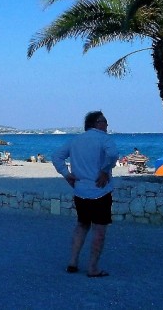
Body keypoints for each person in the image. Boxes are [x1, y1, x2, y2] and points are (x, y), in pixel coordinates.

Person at [52, 111, 119, 278]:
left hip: (80, 191)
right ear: (96, 123)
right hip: (100, 192)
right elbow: (112, 155)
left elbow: (56, 156)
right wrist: (104, 170)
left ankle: (73, 262)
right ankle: (93, 268)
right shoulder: (104, 139)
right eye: (104, 121)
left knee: (81, 225)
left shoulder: (76, 140)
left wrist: (66, 174)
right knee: (99, 230)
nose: (107, 125)